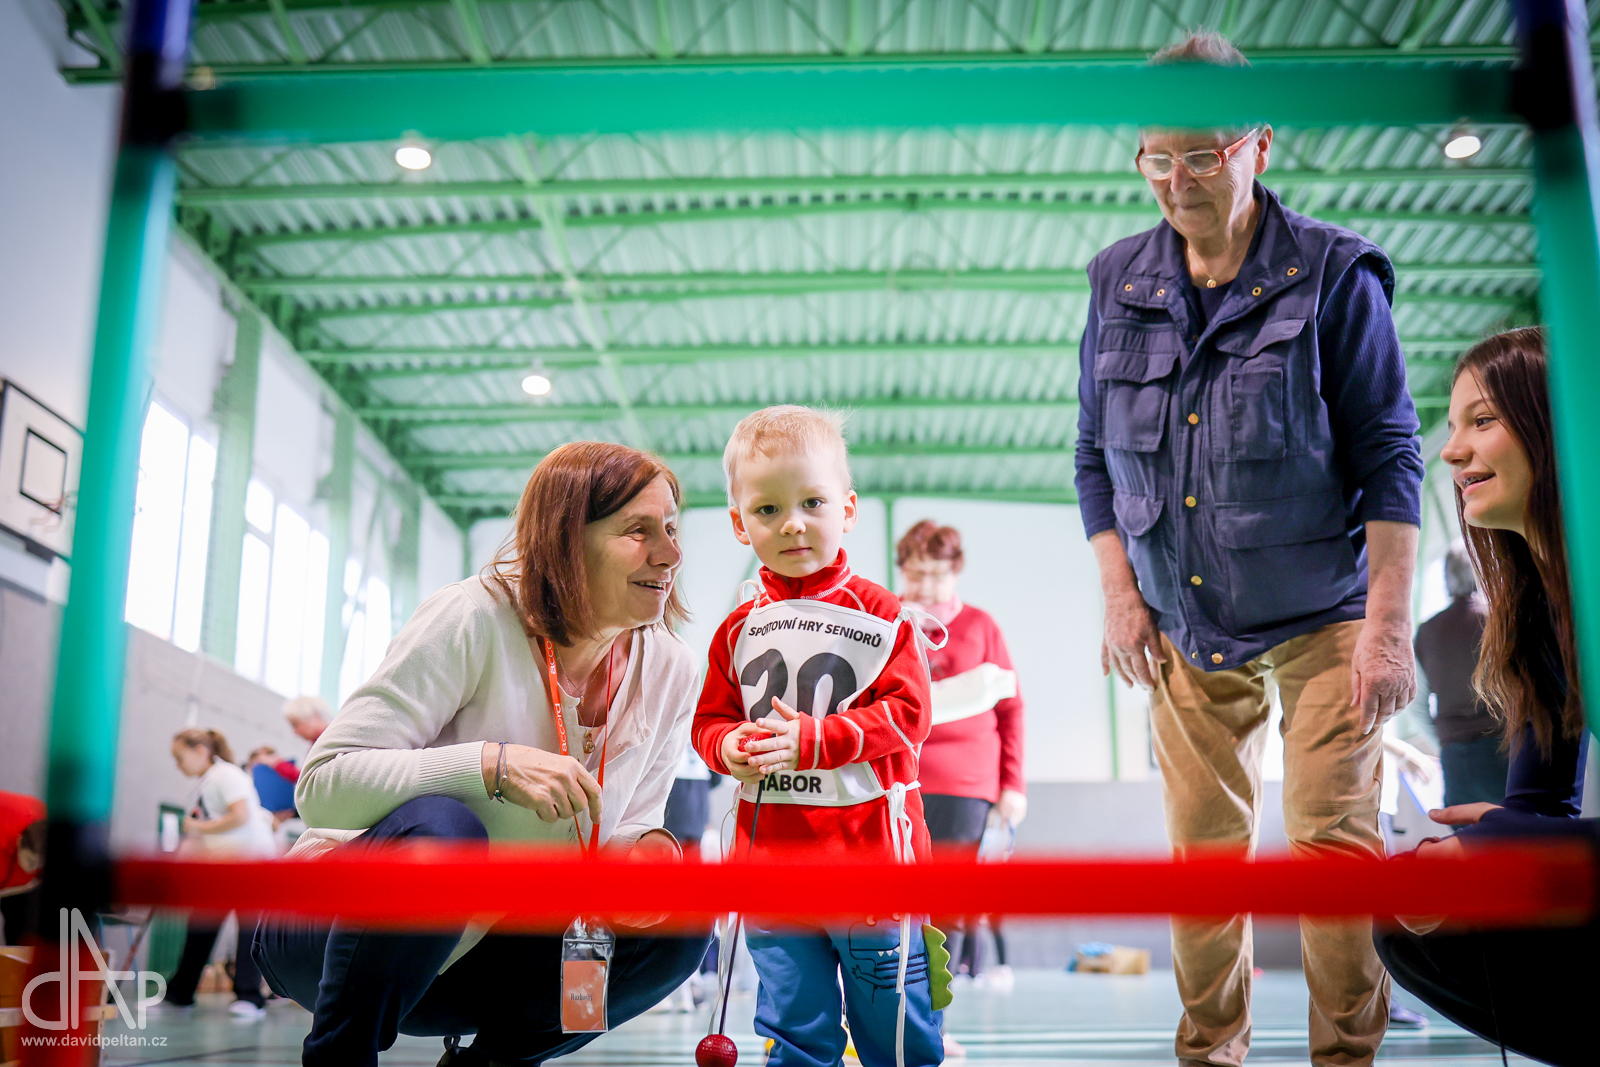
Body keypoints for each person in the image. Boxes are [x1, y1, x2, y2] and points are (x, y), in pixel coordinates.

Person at [1072, 31, 1424, 1067]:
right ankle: (1211, 1051)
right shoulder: (1116, 279)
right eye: (1157, 157)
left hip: (1325, 613)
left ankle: (1344, 1056)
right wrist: (1119, 595)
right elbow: (1091, 455)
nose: (1177, 179)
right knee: (1203, 860)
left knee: (1330, 846)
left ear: (1259, 145)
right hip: (1183, 618)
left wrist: (1389, 629)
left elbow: (1391, 456)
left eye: (1203, 154)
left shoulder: (1335, 274)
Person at [252, 443, 710, 1067]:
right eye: (638, 530)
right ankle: (339, 1057)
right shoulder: (473, 614)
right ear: (566, 539)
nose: (671, 554)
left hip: (486, 956)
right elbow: (322, 786)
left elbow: (628, 822)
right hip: (338, 937)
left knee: (687, 907)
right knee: (443, 831)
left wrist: (641, 856)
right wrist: (489, 766)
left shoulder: (673, 669)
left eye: (672, 530)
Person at [692, 405, 944, 1067]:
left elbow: (909, 714)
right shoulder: (734, 628)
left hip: (872, 862)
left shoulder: (885, 614)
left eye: (812, 502)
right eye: (767, 509)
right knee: (794, 1027)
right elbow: (709, 722)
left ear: (848, 509)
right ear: (740, 523)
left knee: (894, 1026)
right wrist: (727, 746)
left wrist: (817, 739)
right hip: (771, 865)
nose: (792, 523)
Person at [1375, 328, 1595, 1067]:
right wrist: (1504, 827)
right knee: (1411, 917)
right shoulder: (1534, 611)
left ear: (1554, 426)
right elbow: (1541, 803)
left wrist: (1502, 842)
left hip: (1460, 743)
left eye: (1483, 419)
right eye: (1452, 425)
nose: (1450, 450)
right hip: (1469, 748)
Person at [896, 519, 1024, 989]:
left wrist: (1013, 785)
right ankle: (896, 989)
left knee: (950, 894)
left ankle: (934, 995)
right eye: (915, 573)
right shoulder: (887, 621)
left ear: (956, 571)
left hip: (966, 784)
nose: (925, 584)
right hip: (897, 777)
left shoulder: (980, 626)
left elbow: (1011, 709)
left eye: (936, 573)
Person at [165, 728, 278, 1018]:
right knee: (200, 925)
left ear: (201, 751)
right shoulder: (206, 782)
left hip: (250, 863)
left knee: (249, 930)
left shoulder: (226, 774)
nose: (178, 765)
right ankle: (179, 994)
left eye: (180, 757)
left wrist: (198, 827)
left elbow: (240, 815)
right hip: (224, 864)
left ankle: (250, 998)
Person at [1414, 545, 1508, 807]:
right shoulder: (1498, 619)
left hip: (1455, 759)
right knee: (1521, 828)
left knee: (1468, 830)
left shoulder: (1426, 633)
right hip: (1504, 748)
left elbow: (1415, 706)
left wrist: (1446, 740)